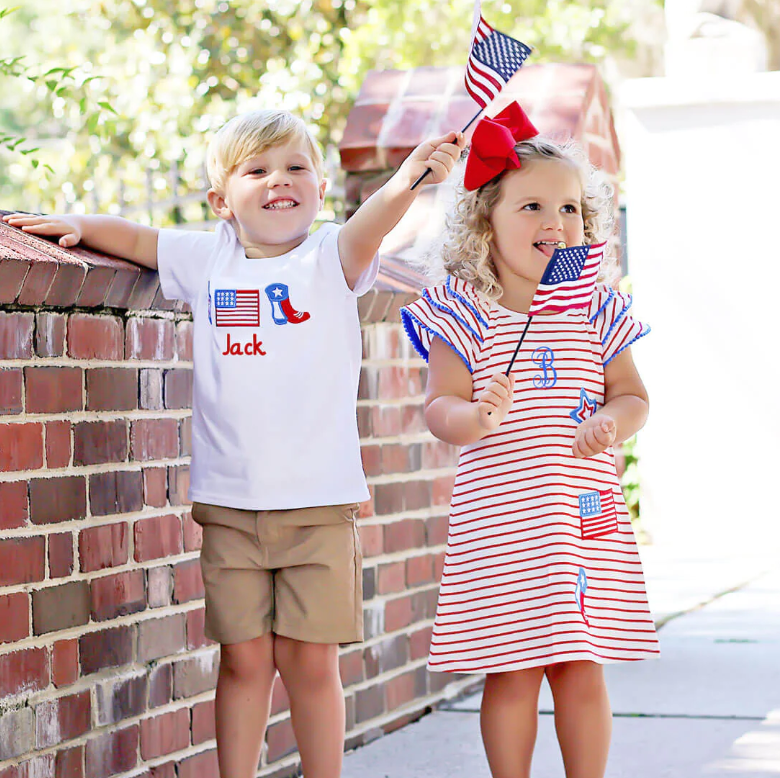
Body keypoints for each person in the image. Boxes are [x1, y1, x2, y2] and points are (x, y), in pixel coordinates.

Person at [4, 108, 464, 778]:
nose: (280, 180)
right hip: (230, 507)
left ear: (320, 184)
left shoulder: (333, 254)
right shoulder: (208, 256)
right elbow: (138, 239)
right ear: (222, 201)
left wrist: (411, 177)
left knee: (310, 660)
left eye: (296, 167)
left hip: (318, 507)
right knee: (245, 660)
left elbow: (380, 217)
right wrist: (80, 229)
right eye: (258, 169)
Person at [400, 101, 660, 778]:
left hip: (578, 520)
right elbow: (439, 408)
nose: (556, 221)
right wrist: (473, 419)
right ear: (486, 220)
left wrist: (613, 423)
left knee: (580, 664)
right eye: (533, 207)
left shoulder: (598, 308)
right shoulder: (463, 311)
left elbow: (634, 396)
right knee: (511, 670)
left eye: (571, 208)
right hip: (502, 522)